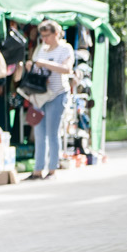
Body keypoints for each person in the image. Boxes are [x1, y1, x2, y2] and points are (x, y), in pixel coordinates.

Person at [26, 21, 74, 180]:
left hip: (57, 94)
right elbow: (37, 67)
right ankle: (38, 169)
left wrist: (46, 63)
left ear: (55, 34)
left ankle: (52, 169)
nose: (44, 39)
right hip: (40, 96)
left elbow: (67, 69)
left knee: (52, 133)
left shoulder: (65, 48)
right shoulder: (41, 49)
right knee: (39, 133)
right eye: (42, 36)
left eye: (47, 35)